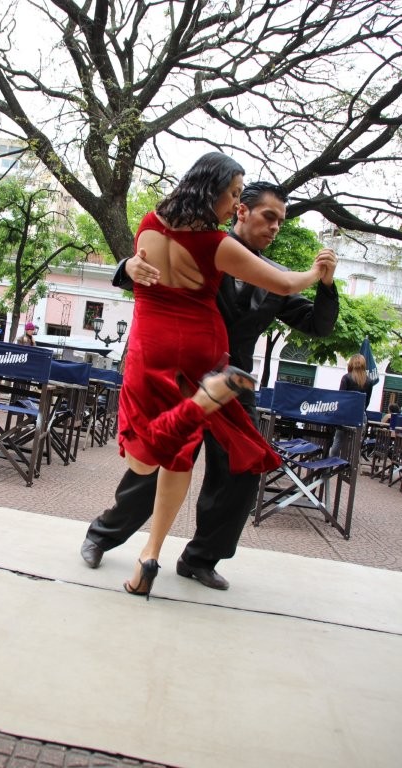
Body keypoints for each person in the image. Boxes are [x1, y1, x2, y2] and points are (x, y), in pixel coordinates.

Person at [92, 154, 333, 599]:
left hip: (230, 380)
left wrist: (327, 285)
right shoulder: (213, 242)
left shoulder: (263, 268)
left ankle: (200, 558)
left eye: (281, 221)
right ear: (240, 209)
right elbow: (143, 271)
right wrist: (125, 266)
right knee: (157, 463)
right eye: (268, 215)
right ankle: (105, 535)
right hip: (186, 368)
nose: (276, 226)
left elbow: (317, 324)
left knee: (238, 469)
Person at [329, 353, 373, 457]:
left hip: (345, 415)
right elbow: (367, 401)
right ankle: (350, 465)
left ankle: (331, 464)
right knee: (355, 445)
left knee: (337, 441)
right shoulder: (369, 381)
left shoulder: (346, 378)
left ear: (351, 364)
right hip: (360, 415)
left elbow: (340, 398)